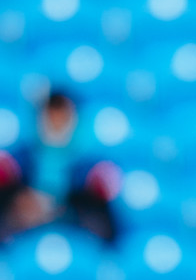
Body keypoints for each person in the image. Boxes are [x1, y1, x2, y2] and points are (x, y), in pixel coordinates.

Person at [0, 90, 120, 244]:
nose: (56, 123)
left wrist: (60, 206)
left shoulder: (90, 164)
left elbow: (104, 214)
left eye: (62, 117)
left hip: (73, 227)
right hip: (24, 231)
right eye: (51, 117)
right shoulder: (22, 157)